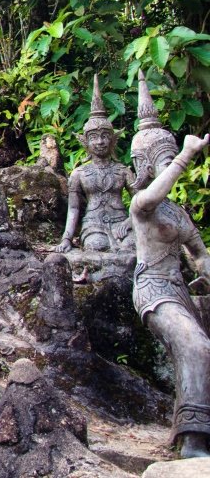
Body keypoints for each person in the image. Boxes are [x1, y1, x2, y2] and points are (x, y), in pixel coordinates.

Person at [128, 70, 210, 458]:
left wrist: (205, 270)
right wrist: (185, 156)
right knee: (194, 346)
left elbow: (199, 253)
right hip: (153, 290)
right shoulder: (143, 205)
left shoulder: (179, 214)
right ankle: (192, 438)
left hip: (180, 290)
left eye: (171, 156)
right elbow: (153, 193)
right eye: (161, 158)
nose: (170, 165)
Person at [56, 75, 135, 255]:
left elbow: (140, 204)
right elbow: (74, 208)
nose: (100, 142)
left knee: (130, 248)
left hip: (121, 222)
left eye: (105, 136)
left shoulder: (123, 171)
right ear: (85, 142)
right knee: (96, 246)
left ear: (113, 140)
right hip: (93, 225)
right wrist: (67, 238)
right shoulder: (79, 173)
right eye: (93, 137)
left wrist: (128, 223)